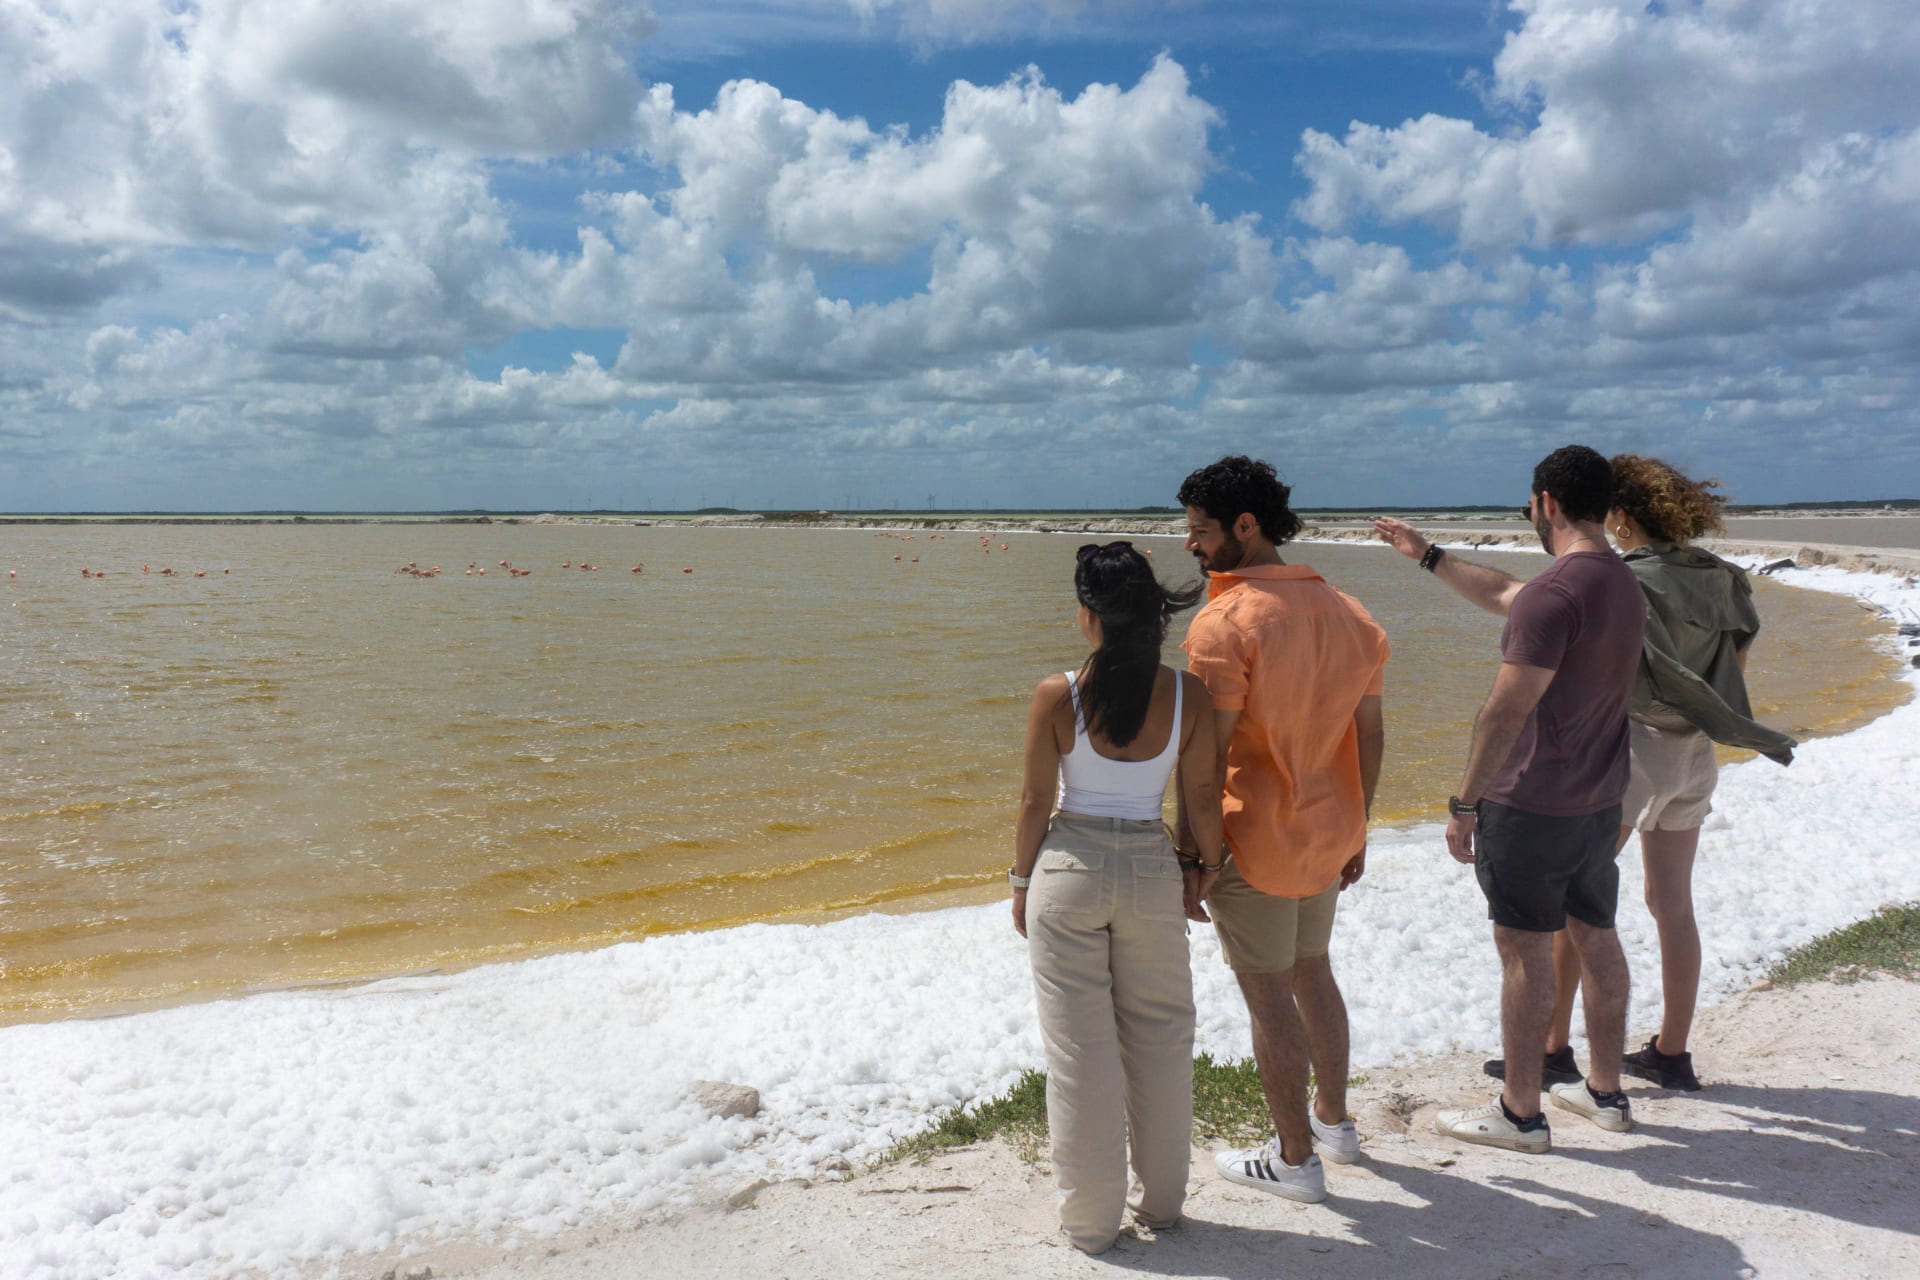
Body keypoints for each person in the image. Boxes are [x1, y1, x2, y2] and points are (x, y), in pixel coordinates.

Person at [1374, 444, 1644, 1153]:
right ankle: (1607, 1095)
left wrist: (1465, 805)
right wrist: (1426, 554)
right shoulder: (1618, 582)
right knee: (1595, 931)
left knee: (1524, 951)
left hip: (1533, 806)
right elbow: (1503, 593)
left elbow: (1503, 713)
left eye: (1531, 502)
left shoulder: (1555, 596)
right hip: (1599, 800)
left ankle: (1521, 1111)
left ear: (1547, 502)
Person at [1509, 456, 1796, 1092]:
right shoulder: (1724, 579)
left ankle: (1553, 1048)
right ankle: (1671, 1051)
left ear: (1620, 514)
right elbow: (1730, 676)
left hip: (1630, 749)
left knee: (1574, 898)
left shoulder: (1624, 577)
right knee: (1671, 903)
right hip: (1695, 750)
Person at [1175, 456, 1389, 1201]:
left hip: (1256, 841)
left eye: (1199, 531)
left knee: (1269, 996)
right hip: (1330, 833)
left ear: (1246, 525)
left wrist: (1190, 855)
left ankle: (1296, 1160)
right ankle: (1334, 1123)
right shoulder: (1350, 612)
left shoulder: (1224, 624)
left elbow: (1206, 757)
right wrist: (1360, 826)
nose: (1190, 546)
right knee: (1314, 972)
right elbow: (1370, 738)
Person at [1010, 541, 1219, 1254]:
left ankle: (1091, 1226)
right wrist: (1203, 865)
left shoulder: (1057, 692)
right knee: (1162, 1040)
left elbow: (1039, 799)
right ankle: (1160, 1207)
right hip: (1152, 869)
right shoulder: (1190, 693)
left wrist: (1018, 881)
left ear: (1091, 616)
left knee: (1079, 1054)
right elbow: (1199, 796)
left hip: (1068, 868)